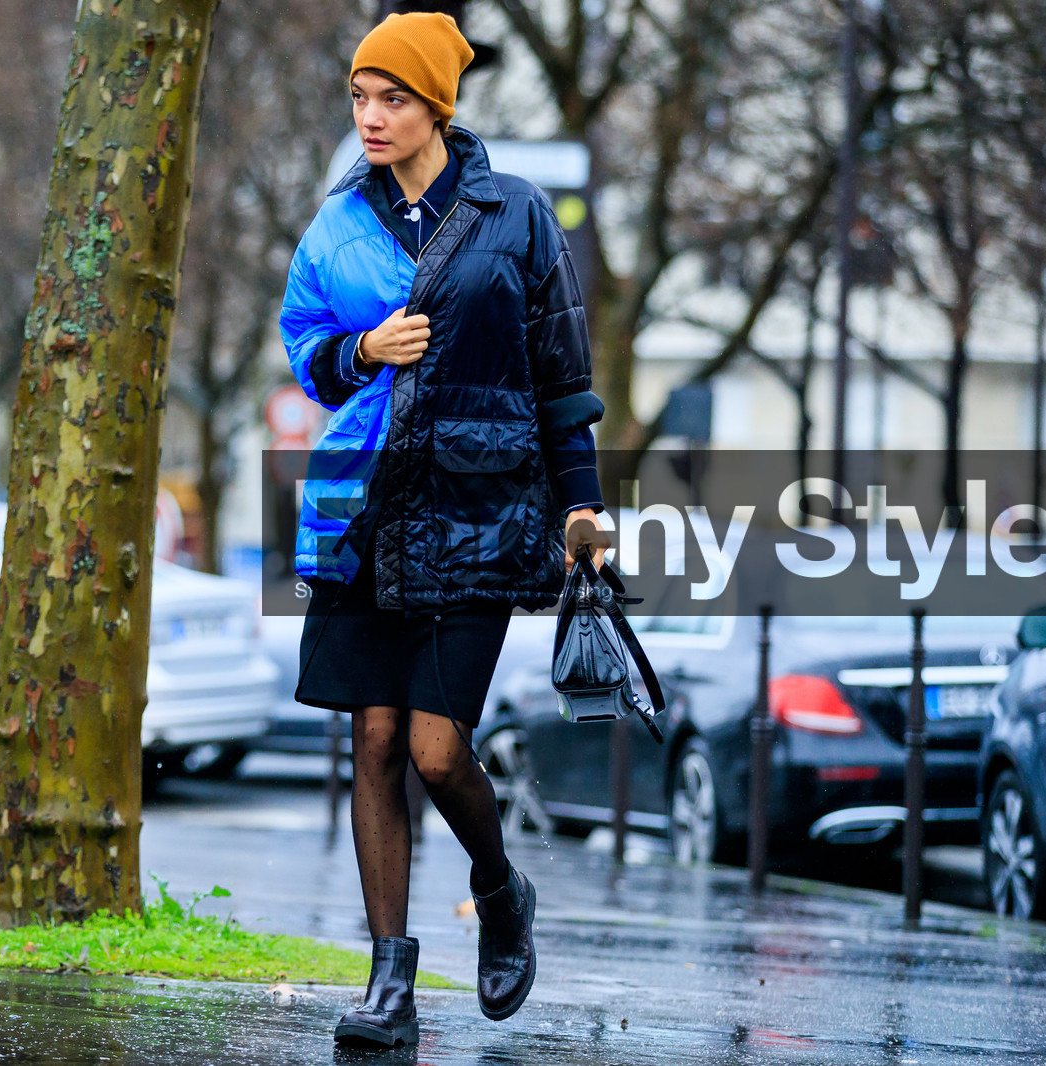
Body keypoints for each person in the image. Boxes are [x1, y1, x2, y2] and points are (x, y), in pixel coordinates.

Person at [279, 10, 611, 1049]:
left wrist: (581, 502)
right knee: (371, 738)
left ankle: (500, 889)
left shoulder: (514, 215)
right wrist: (362, 349)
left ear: (436, 106)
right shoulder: (337, 222)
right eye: (359, 98)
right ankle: (390, 982)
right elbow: (306, 348)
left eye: (391, 99)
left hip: (477, 509)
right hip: (364, 511)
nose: (371, 117)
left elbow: (562, 374)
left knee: (431, 747)